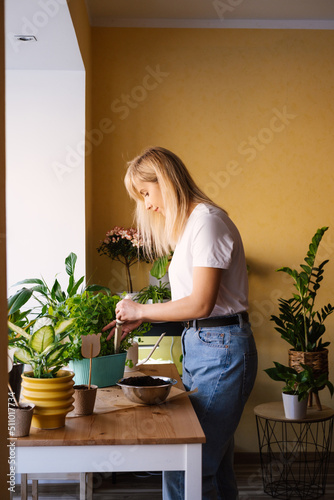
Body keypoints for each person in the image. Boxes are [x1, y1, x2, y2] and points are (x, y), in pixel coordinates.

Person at [103, 146, 258, 500]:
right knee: (213, 467)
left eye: (145, 192)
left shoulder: (208, 221)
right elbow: (190, 302)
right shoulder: (193, 226)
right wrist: (140, 312)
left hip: (220, 347)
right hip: (207, 345)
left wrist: (140, 312)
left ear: (166, 180)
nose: (146, 205)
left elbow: (201, 303)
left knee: (186, 463)